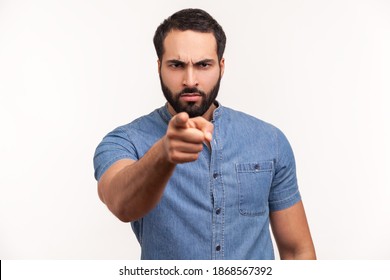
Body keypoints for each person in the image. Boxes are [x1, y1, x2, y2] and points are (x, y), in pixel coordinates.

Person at [93, 8, 316, 260]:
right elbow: (120, 204)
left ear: (221, 67)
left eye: (203, 65)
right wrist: (164, 153)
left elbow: (297, 251)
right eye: (176, 65)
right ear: (159, 67)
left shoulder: (270, 140)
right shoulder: (125, 141)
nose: (190, 80)